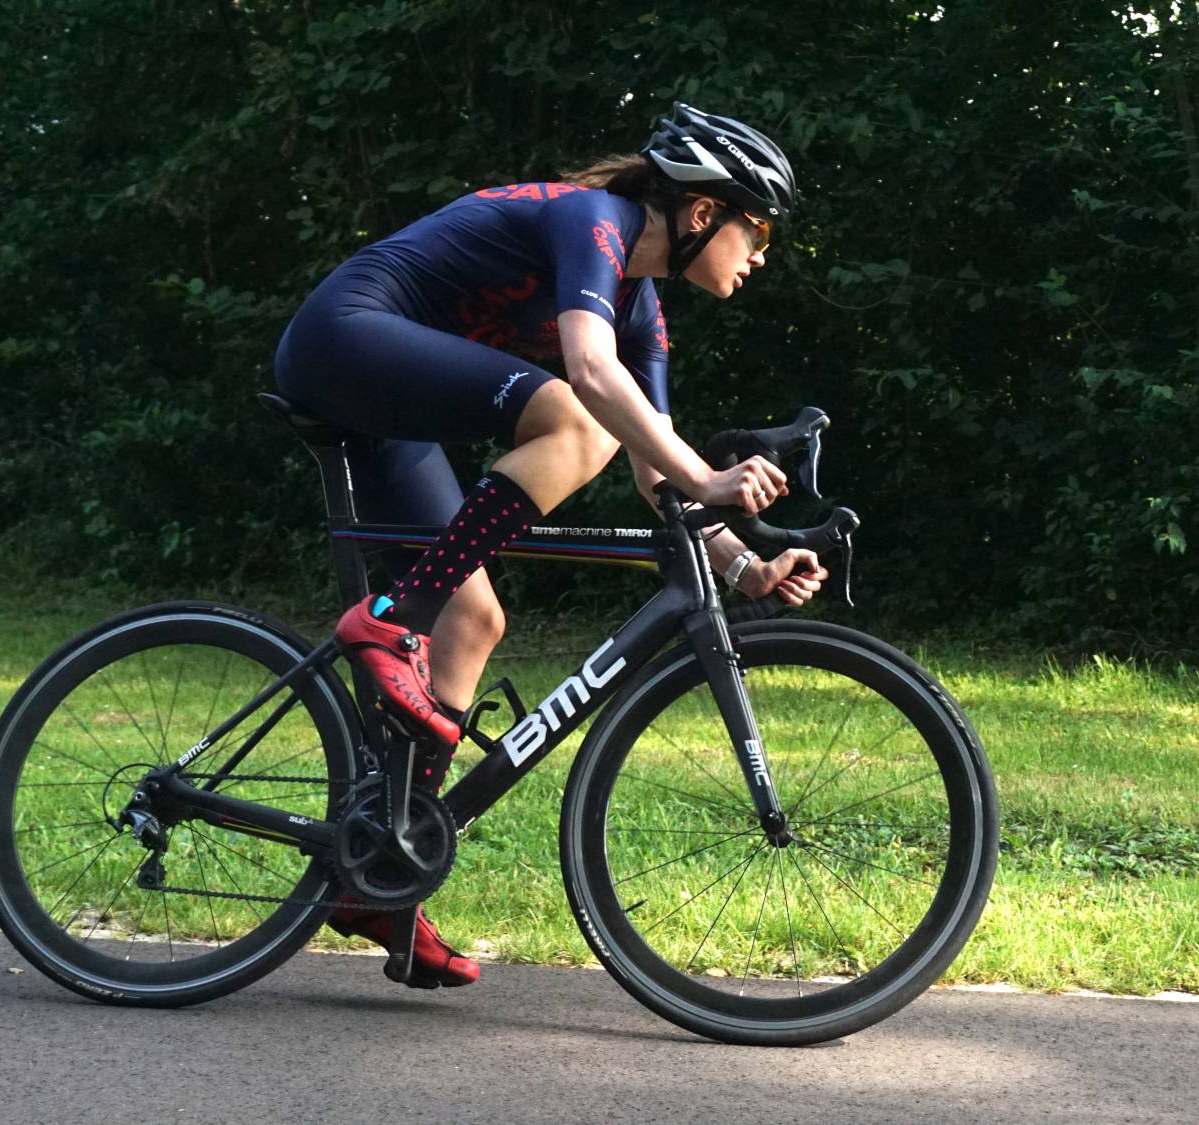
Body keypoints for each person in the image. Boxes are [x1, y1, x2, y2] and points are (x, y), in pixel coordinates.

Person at [272, 102, 829, 988]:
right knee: (579, 418)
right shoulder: (592, 220)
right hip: (342, 339)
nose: (761, 251)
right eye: (755, 226)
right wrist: (707, 475)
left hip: (392, 407)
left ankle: (382, 876)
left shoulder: (642, 310)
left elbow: (658, 472)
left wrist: (744, 563)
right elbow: (592, 375)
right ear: (700, 212)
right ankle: (388, 618)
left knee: (475, 617)